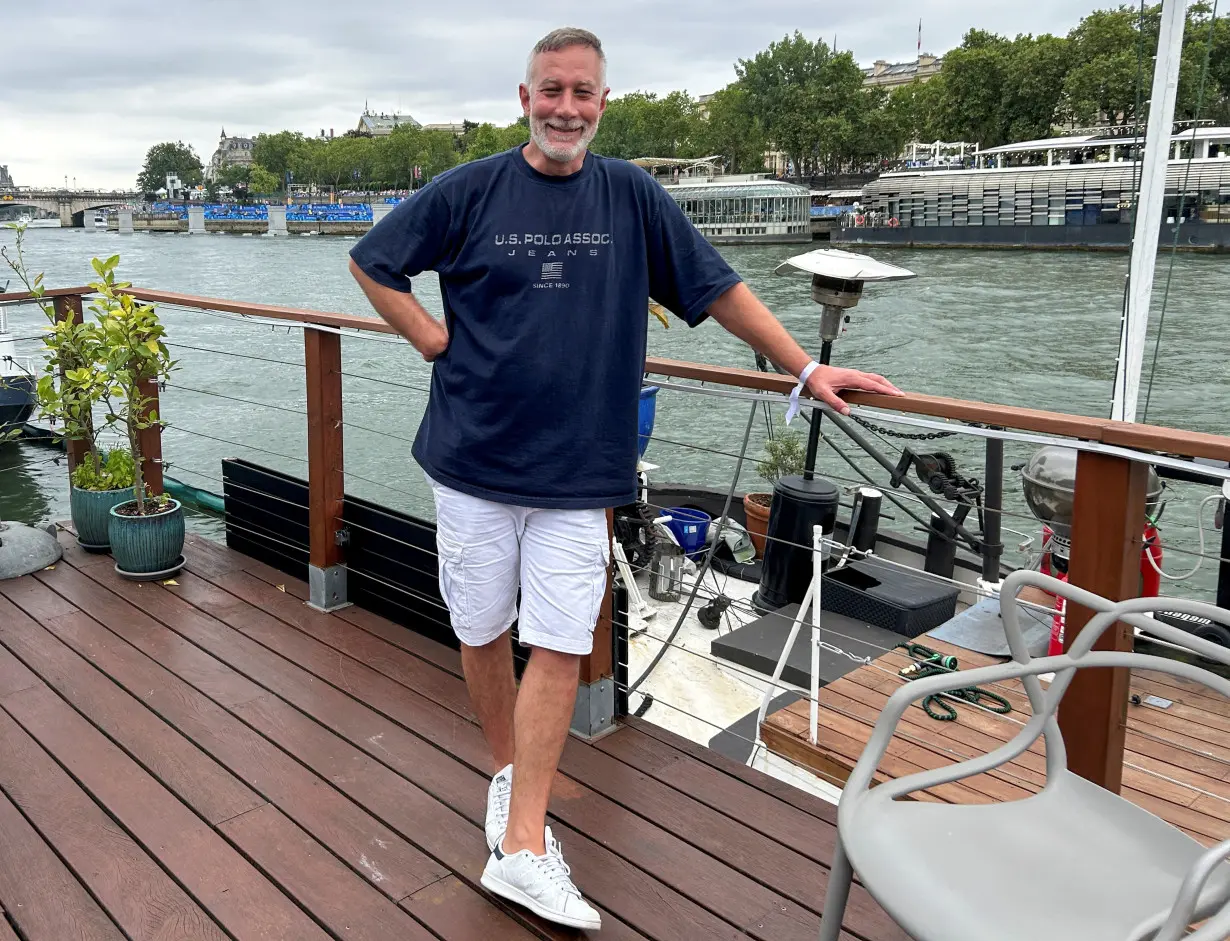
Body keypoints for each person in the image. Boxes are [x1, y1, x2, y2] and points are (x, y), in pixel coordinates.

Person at [348, 26, 901, 931]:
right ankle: (510, 783)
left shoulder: (633, 196)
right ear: (523, 97)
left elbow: (719, 291)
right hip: (472, 459)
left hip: (577, 469)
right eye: (551, 90)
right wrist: (430, 336)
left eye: (584, 93)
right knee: (482, 629)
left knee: (563, 640)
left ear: (604, 103)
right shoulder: (472, 187)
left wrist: (806, 369)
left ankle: (523, 842)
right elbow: (373, 261)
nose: (567, 107)